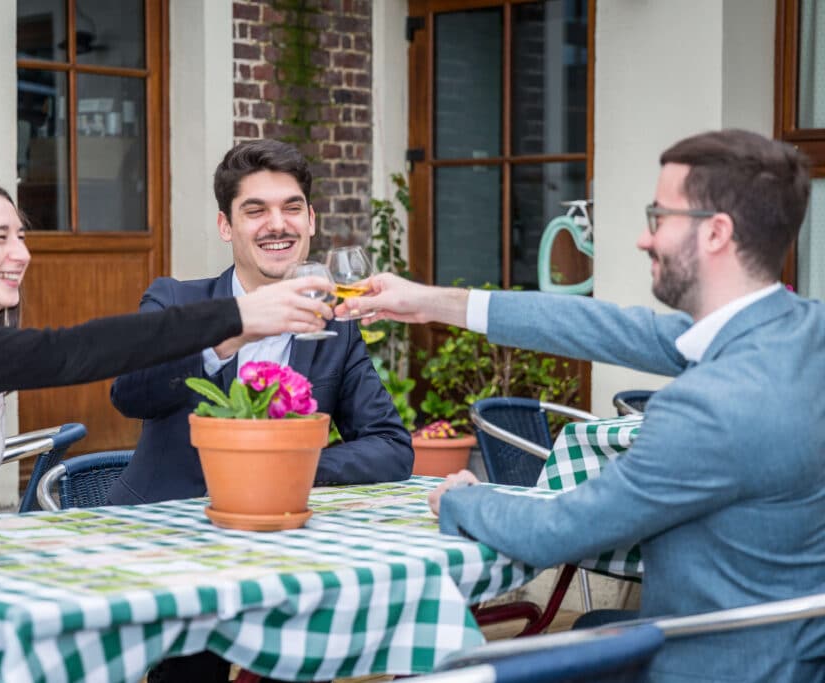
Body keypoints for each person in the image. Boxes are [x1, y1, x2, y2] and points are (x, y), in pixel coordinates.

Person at [337, 129, 825, 682]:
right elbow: (608, 327)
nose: (643, 238)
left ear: (716, 232)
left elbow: (557, 530)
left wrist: (462, 499)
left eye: (658, 216)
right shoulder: (801, 332)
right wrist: (429, 302)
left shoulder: (710, 407)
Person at [0, 177, 333, 530]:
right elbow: (70, 353)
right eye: (0, 237)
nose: (21, 254)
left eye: (21, 236)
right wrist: (238, 315)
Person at [107, 139, 413, 506]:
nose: (278, 225)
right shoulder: (174, 301)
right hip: (161, 524)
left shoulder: (336, 326)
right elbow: (129, 395)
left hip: (279, 524)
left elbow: (390, 446)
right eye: (256, 211)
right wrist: (224, 337)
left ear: (311, 220)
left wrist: (289, 465)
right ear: (225, 226)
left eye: (292, 208)